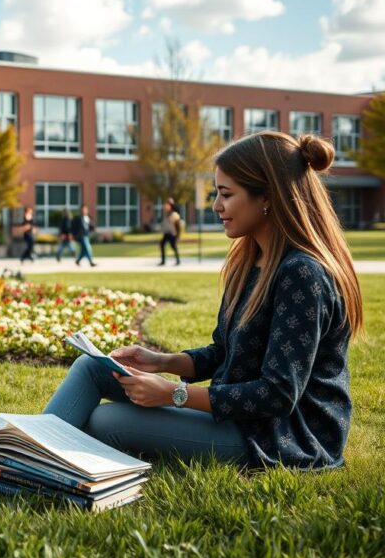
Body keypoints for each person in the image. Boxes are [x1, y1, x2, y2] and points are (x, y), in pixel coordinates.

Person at [42, 132, 362, 469]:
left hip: (281, 436)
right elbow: (223, 353)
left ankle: (28, 459)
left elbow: (278, 394)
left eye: (226, 194)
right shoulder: (249, 261)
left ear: (266, 197)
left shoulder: (302, 274)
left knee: (105, 421)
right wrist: (159, 361)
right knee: (92, 367)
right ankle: (17, 451)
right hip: (240, 419)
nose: (216, 206)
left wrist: (173, 394)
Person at [159, 198, 182, 266]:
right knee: (162, 244)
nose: (166, 206)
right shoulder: (166, 214)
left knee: (173, 246)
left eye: (168, 205)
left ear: (171, 206)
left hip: (172, 234)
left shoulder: (175, 215)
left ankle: (178, 260)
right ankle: (163, 261)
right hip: (166, 233)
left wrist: (178, 236)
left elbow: (178, 226)